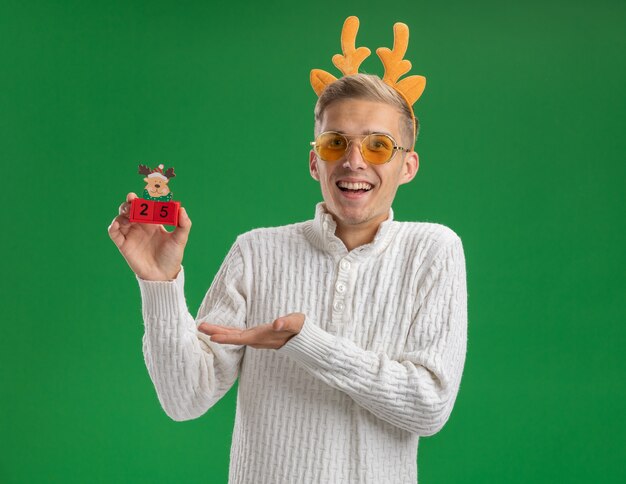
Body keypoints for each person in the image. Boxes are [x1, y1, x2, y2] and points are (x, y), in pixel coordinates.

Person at [108, 17, 467, 484]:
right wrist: (159, 285)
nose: (354, 160)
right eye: (336, 142)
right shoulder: (256, 252)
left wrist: (306, 341)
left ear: (408, 165)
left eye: (378, 146)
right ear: (315, 159)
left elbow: (428, 406)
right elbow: (183, 398)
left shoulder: (434, 250)